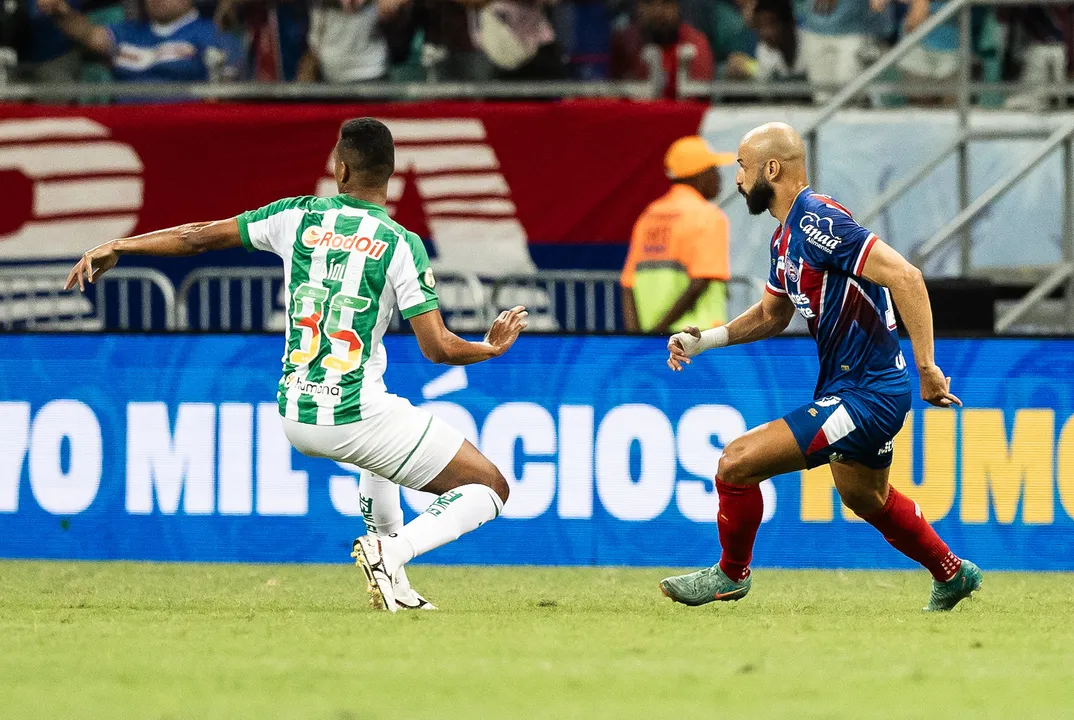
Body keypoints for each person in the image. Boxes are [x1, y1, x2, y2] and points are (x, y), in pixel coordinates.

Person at [64, 118, 529, 614]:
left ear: (341, 168)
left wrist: (120, 244)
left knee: (384, 446)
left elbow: (197, 237)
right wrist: (490, 347)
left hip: (296, 411)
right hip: (352, 413)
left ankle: (396, 583)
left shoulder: (297, 216)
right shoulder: (400, 243)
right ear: (389, 175)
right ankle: (390, 551)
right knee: (489, 486)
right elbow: (437, 349)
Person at [661, 122, 981, 612]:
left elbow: (907, 277)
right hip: (856, 386)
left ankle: (729, 574)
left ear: (772, 168)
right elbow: (772, 314)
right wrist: (705, 340)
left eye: (743, 168)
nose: (739, 180)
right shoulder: (783, 238)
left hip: (867, 392)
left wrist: (928, 367)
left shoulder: (818, 221)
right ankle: (952, 573)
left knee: (736, 463)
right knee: (864, 496)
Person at [621, 136, 735, 333]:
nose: (719, 177)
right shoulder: (709, 216)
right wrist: (661, 330)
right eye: (714, 169)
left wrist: (638, 338)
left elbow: (627, 285)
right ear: (699, 174)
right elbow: (700, 283)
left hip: (653, 341)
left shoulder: (650, 215)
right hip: (698, 338)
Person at [37, 0, 242, 84]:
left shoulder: (212, 32)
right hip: (126, 131)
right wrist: (61, 11)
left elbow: (229, 90)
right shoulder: (128, 31)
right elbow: (89, 35)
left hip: (185, 135)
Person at [609, 0, 714, 98]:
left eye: (666, 2)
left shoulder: (695, 42)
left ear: (677, 7)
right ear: (638, 7)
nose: (658, 12)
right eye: (649, 2)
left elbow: (698, 97)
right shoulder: (624, 42)